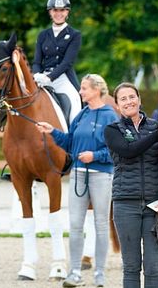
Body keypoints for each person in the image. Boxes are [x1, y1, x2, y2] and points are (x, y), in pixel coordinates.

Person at [36, 74, 118, 287]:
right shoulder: (81, 116)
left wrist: (95, 156)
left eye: (84, 88)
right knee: (74, 225)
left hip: (102, 175)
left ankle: (100, 273)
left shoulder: (110, 116)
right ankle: (74, 273)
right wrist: (52, 132)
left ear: (97, 90)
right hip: (79, 175)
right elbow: (70, 143)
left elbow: (115, 151)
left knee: (101, 224)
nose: (80, 92)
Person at [104, 83, 158, 288]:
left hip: (155, 206)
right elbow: (129, 151)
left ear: (139, 99)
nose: (129, 102)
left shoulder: (156, 126)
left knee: (154, 267)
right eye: (123, 99)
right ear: (118, 106)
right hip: (125, 205)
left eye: (132, 97)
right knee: (131, 267)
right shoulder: (112, 130)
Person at [32, 0, 82, 123]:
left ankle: (73, 136)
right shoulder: (43, 35)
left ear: (67, 12)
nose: (58, 13)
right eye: (55, 10)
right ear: (50, 12)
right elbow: (37, 61)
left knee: (75, 103)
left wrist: (49, 77)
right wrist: (37, 75)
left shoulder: (74, 35)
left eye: (62, 10)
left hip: (63, 78)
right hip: (42, 79)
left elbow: (67, 62)